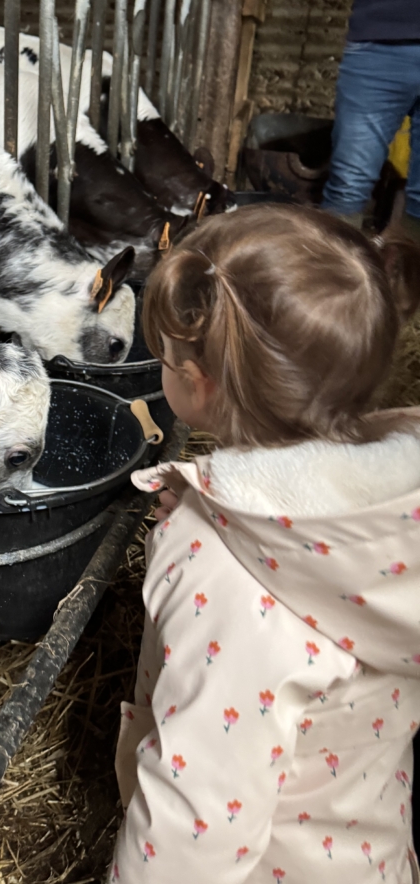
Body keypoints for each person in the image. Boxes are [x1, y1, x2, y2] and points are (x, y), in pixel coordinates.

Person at [109, 204, 420, 883]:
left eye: (165, 357)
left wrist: (206, 540)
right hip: (368, 850)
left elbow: (195, 828)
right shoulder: (390, 523)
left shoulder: (222, 578)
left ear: (198, 383)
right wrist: (220, 508)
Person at [276, 0, 420, 240]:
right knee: (347, 187)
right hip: (378, 47)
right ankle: (336, 275)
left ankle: (408, 277)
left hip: (376, 47)